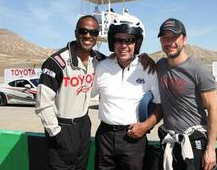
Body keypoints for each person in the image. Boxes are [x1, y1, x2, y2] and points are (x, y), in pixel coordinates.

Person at [35, 15, 155, 170]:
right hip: (62, 126)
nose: (88, 36)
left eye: (93, 33)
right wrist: (57, 133)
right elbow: (42, 104)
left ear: (98, 37)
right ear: (75, 32)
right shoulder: (56, 62)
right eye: (83, 31)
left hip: (84, 127)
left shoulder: (97, 60)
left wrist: (143, 57)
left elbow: (118, 59)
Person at [92, 15, 163, 170]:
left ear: (136, 43)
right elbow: (84, 94)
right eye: (119, 40)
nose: (124, 45)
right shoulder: (102, 67)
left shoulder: (148, 68)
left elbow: (160, 105)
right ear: (112, 42)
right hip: (105, 136)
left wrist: (145, 127)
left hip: (133, 137)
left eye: (129, 40)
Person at [156, 18, 217, 170]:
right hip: (170, 140)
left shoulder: (198, 70)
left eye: (174, 37)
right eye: (165, 38)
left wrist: (211, 149)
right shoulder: (159, 66)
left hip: (194, 142)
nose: (169, 42)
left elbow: (213, 109)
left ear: (184, 39)